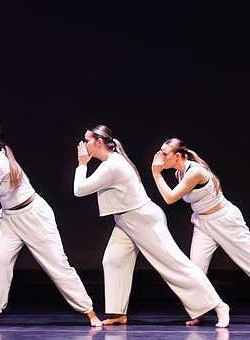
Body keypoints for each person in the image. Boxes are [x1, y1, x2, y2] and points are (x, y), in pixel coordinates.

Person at [73, 125, 230, 327]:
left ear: (99, 143)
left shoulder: (112, 165)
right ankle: (117, 313)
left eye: (87, 140)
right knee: (113, 260)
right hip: (126, 221)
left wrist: (81, 164)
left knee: (174, 264)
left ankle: (219, 305)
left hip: (142, 220)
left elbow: (79, 189)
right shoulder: (111, 162)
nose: (84, 144)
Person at [0, 126, 101, 326]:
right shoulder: (0, 155)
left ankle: (89, 311)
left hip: (33, 217)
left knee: (57, 263)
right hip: (10, 218)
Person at [151, 137, 249, 325]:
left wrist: (156, 174)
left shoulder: (194, 172)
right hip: (203, 223)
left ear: (177, 156)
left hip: (225, 221)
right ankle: (202, 311)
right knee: (195, 271)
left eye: (164, 154)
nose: (160, 157)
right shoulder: (179, 173)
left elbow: (170, 198)